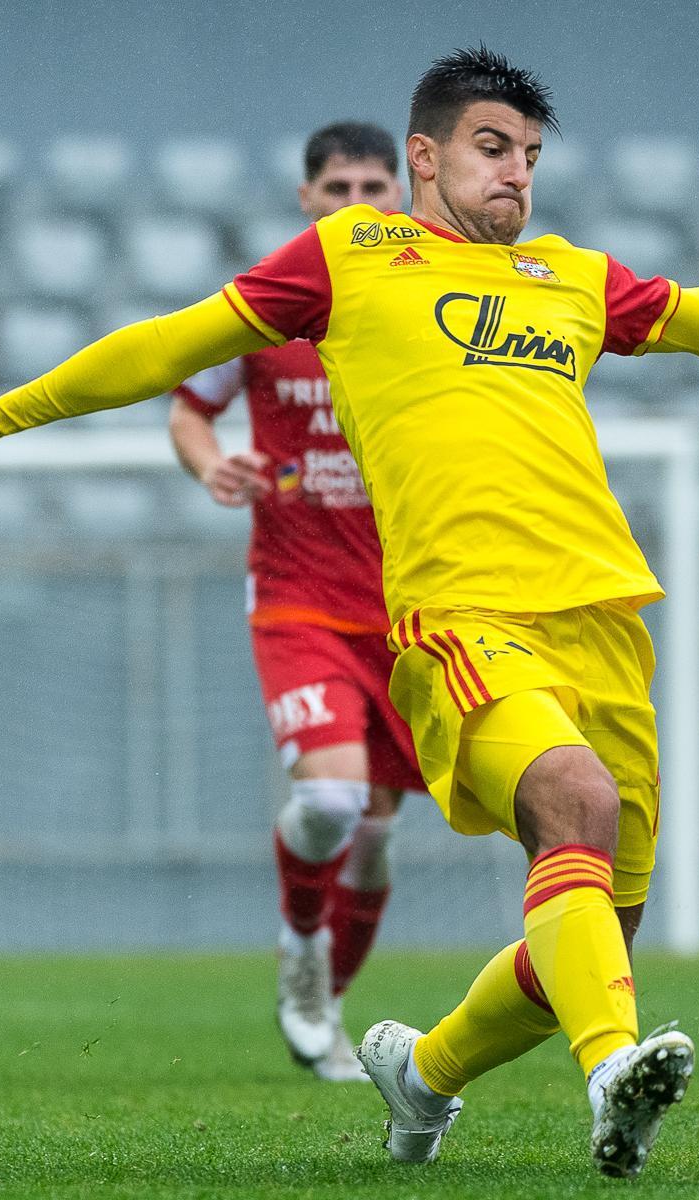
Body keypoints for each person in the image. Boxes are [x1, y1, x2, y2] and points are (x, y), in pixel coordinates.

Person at [0, 46, 699, 1179]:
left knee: (595, 935)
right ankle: (613, 1073)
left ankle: (424, 1073)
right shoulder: (351, 256)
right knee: (576, 801)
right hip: (461, 618)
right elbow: (168, 343)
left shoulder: (568, 274)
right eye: (493, 149)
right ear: (425, 156)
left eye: (531, 156)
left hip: (602, 616)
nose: (517, 174)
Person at [166, 121, 421, 1084]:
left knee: (376, 832)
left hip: (408, 605)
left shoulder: (425, 305)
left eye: (373, 187)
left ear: (399, 196)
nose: (356, 203)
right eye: (337, 188)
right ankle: (301, 952)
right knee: (330, 799)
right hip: (299, 597)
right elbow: (189, 407)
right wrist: (210, 466)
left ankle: (329, 1001)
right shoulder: (266, 306)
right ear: (307, 199)